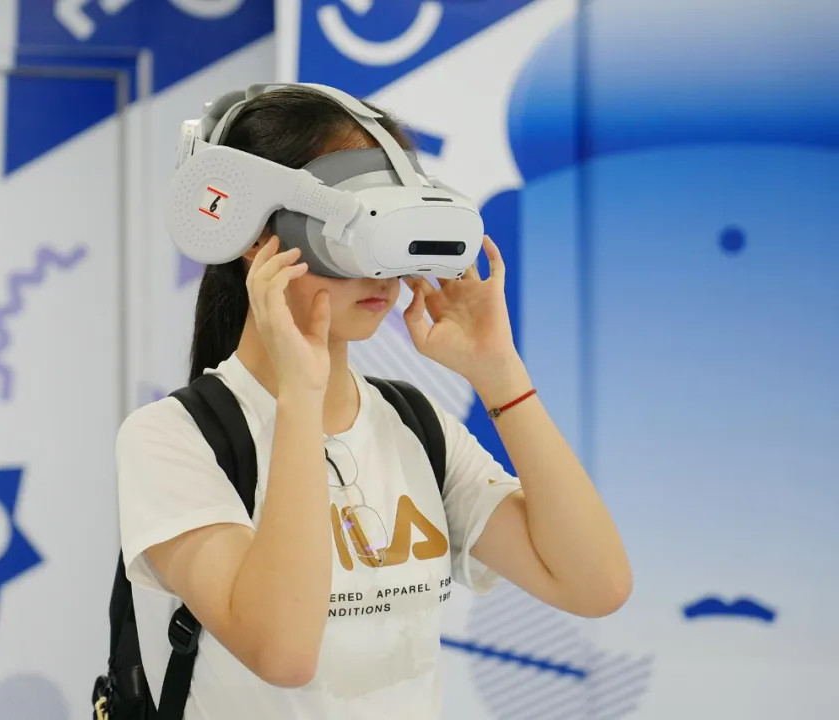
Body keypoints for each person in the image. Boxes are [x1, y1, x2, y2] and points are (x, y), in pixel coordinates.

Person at [114, 86, 631, 719]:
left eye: (392, 228)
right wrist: (301, 403)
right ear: (252, 235)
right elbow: (284, 652)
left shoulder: (415, 428)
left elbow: (595, 584)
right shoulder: (172, 439)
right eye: (348, 229)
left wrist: (501, 377)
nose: (382, 269)